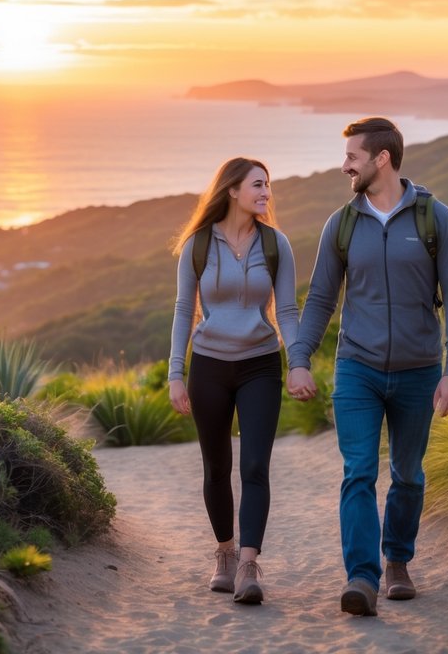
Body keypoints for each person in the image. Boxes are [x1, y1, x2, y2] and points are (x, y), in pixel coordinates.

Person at [286, 117, 448, 617]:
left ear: (381, 159)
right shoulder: (342, 224)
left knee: (408, 475)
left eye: (353, 156)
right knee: (359, 472)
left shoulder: (436, 219)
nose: (344, 164)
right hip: (357, 369)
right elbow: (321, 298)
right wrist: (299, 360)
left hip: (419, 371)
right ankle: (362, 578)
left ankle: (397, 562)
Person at [168, 157, 314, 605]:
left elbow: (287, 311)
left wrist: (298, 361)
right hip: (208, 366)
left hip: (260, 365)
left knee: (254, 467)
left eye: (268, 185)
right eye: (257, 184)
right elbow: (182, 310)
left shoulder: (275, 244)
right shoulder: (197, 245)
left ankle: (249, 565)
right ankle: (225, 554)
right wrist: (176, 372)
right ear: (232, 189)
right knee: (216, 467)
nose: (266, 192)